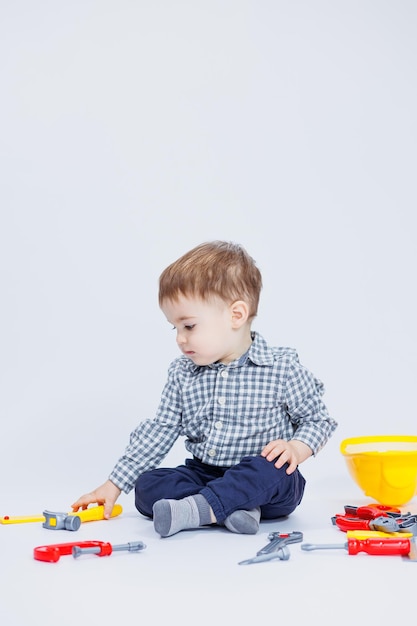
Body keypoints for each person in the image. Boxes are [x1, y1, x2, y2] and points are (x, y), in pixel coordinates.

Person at [72, 241, 337, 537]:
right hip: (204, 472)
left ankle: (197, 510)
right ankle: (231, 508)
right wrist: (113, 485)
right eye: (175, 328)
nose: (180, 339)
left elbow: (318, 420)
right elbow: (162, 428)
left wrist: (295, 448)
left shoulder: (282, 368)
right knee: (148, 486)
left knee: (272, 473)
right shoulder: (182, 373)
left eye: (189, 326)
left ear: (236, 316)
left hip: (266, 479)